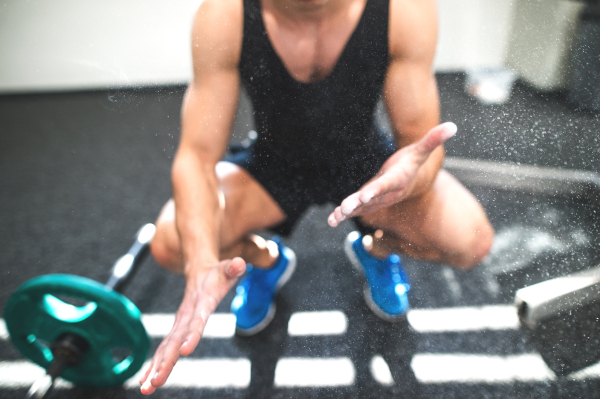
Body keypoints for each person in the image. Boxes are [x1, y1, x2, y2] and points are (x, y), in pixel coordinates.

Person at [140, 0, 494, 394]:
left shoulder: (404, 9)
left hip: (367, 166)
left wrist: (409, 179)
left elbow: (418, 144)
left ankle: (375, 250)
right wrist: (204, 259)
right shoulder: (225, 15)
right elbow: (196, 156)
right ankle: (264, 262)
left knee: (471, 240)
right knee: (174, 244)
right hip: (274, 164)